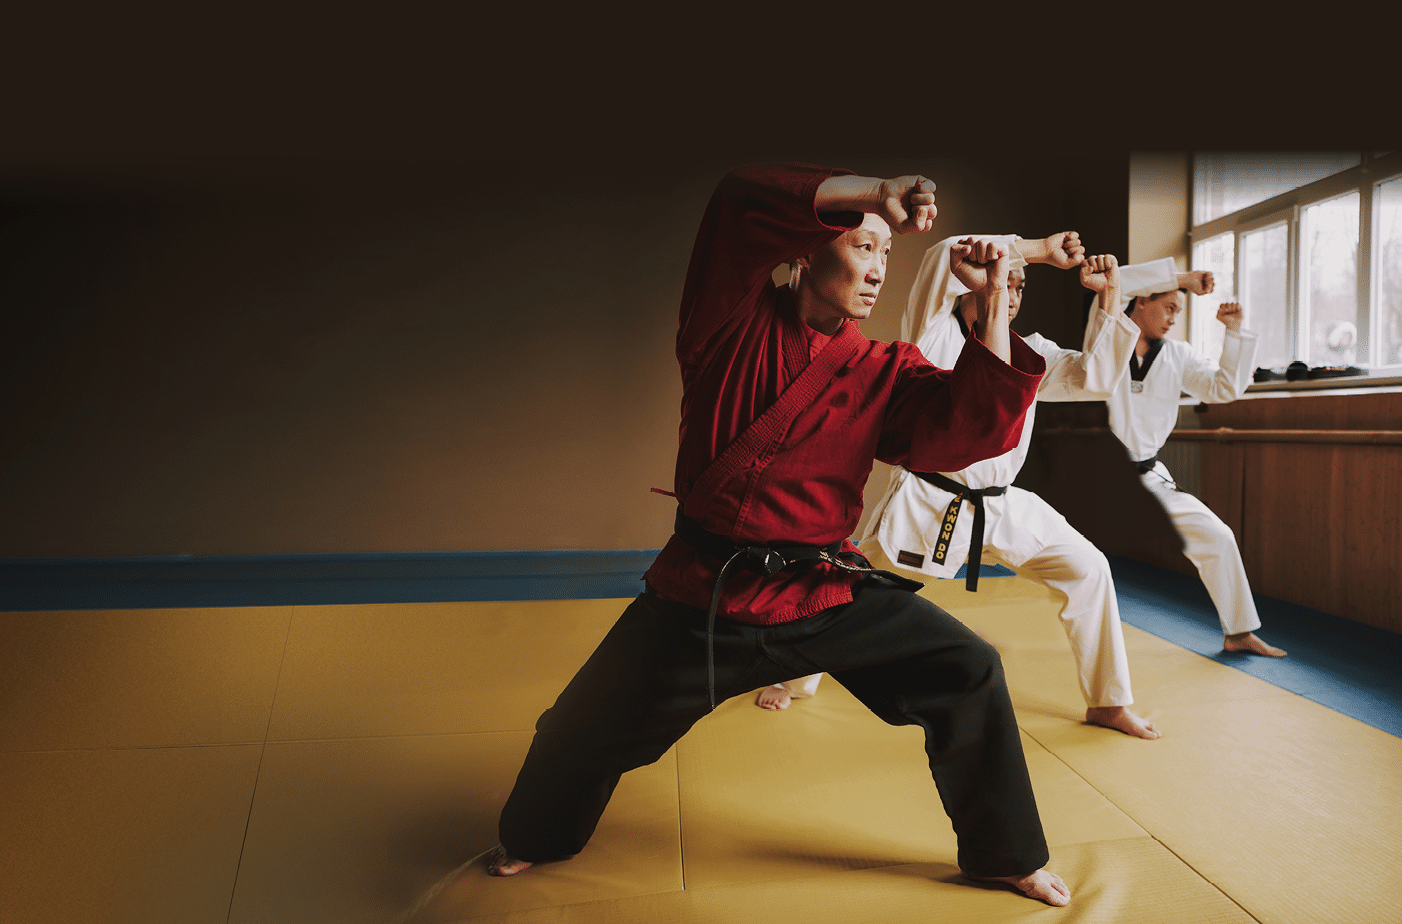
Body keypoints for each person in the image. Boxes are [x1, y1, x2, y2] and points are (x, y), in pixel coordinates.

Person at [488, 165, 1071, 906]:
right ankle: (535, 838)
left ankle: (1003, 854)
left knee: (970, 667)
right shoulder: (727, 319)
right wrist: (870, 196)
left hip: (823, 591)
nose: (876, 268)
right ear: (808, 248)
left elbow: (965, 435)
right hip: (705, 593)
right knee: (579, 728)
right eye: (862, 246)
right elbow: (737, 203)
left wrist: (990, 306)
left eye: (885, 255)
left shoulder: (882, 369)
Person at [758, 232, 1163, 740]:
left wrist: (1108, 297)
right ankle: (795, 680)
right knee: (850, 589)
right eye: (1003, 282)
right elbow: (939, 257)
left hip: (1004, 505)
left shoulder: (1030, 352)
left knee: (1089, 569)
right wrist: (1037, 250)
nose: (1010, 296)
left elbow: (1096, 378)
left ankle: (1109, 702)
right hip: (930, 502)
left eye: (1019, 288)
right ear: (969, 283)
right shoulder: (934, 330)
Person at [1084, 261, 1285, 657]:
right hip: (1094, 479)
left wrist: (1233, 332)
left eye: (1179, 310)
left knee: (1218, 536)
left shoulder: (1178, 355)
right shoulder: (1107, 334)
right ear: (1140, 301)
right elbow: (1118, 281)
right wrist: (1185, 280)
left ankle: (1239, 631)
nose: (1175, 318)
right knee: (1070, 561)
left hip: (1148, 477)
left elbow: (1223, 388)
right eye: (1170, 307)